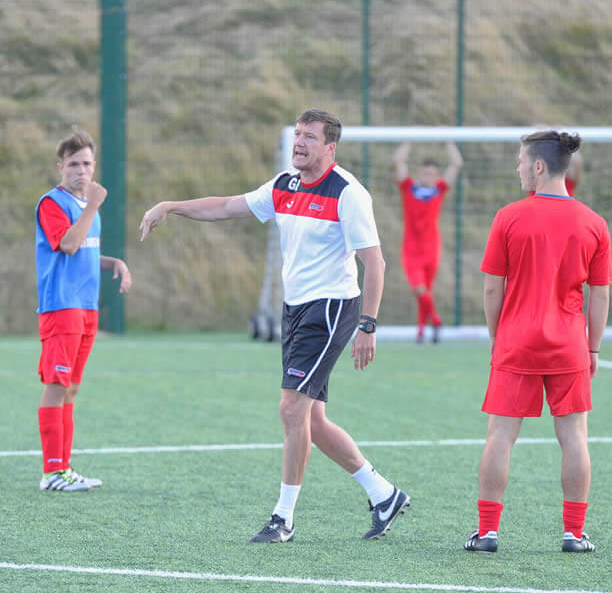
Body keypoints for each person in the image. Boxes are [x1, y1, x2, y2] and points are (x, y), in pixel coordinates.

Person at [140, 109, 409, 542]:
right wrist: (171, 206)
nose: (299, 143)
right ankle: (384, 494)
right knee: (312, 420)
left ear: (330, 147)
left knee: (290, 409)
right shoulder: (285, 184)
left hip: (330, 309)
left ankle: (283, 519)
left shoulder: (348, 193)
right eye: (297, 135)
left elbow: (374, 262)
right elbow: (227, 207)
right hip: (295, 309)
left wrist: (369, 325)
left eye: (309, 137)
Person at [463, 130, 612, 554]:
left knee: (500, 436)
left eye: (521, 161)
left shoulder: (508, 217)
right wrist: (593, 347)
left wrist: (497, 337)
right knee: (574, 436)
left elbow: (493, 289)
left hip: (517, 341)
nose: (518, 168)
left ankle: (488, 532)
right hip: (569, 344)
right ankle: (574, 533)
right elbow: (599, 293)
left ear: (540, 166)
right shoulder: (594, 223)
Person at [36, 127, 132, 492]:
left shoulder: (85, 208)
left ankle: (64, 468)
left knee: (72, 389)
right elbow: (69, 245)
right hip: (62, 306)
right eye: (74, 164)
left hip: (86, 306)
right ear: (60, 166)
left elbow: (87, 252)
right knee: (56, 386)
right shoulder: (53, 203)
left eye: (87, 164)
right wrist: (93, 205)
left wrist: (115, 263)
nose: (81, 170)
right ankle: (52, 472)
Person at [393, 141, 463, 343]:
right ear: (419, 173)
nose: (428, 177)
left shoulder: (439, 190)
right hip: (411, 250)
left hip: (432, 249)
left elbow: (457, 164)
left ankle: (422, 331)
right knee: (420, 290)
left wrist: (448, 141)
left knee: (425, 293)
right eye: (425, 173)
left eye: (432, 174)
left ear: (436, 176)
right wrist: (410, 139)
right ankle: (437, 319)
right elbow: (398, 161)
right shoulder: (409, 188)